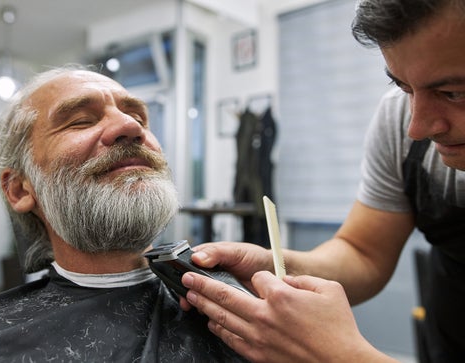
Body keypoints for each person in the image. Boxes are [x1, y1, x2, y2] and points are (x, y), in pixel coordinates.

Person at [180, 0, 465, 362]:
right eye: (405, 86)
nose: (418, 127)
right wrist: (276, 266)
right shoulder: (398, 118)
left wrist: (341, 354)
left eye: (454, 92)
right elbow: (364, 252)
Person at [0, 66, 246, 363]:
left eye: (140, 118)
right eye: (81, 120)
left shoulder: (254, 303)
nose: (131, 127)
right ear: (20, 189)